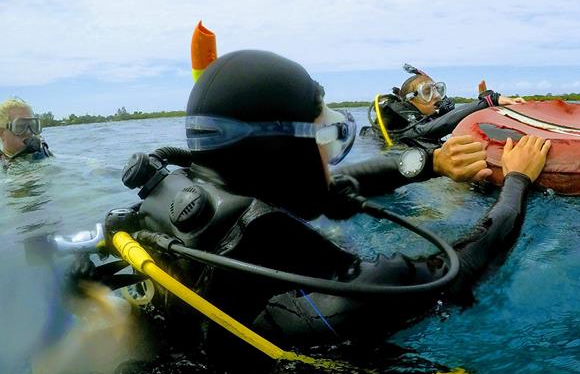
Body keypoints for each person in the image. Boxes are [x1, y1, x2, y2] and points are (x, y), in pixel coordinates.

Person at [90, 50, 550, 356]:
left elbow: (333, 185)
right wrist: (517, 181)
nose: (333, 156)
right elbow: (468, 264)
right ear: (282, 153)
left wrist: (431, 163)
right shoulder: (345, 289)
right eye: (323, 137)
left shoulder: (192, 205)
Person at [366, 64, 525, 146]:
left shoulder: (431, 118)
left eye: (438, 90)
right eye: (427, 92)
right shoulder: (402, 127)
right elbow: (424, 132)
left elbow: (452, 120)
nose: (435, 96)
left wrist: (484, 103)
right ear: (410, 100)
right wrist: (488, 101)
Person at [1, 97, 52, 165]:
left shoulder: (44, 155)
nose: (29, 132)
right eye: (20, 126)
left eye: (33, 126)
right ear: (1, 133)